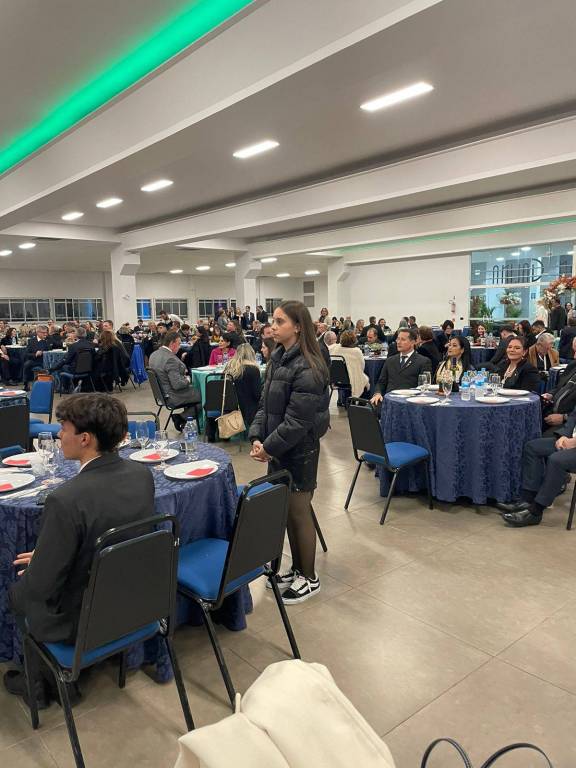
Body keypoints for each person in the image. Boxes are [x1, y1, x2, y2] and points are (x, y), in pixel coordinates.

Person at [5, 394, 155, 706]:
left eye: (63, 428)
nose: (59, 435)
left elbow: (42, 587)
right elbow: (112, 538)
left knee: (19, 593)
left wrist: (42, 563)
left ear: (84, 439)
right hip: (135, 600)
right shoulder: (142, 475)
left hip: (83, 616)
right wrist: (49, 552)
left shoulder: (65, 499)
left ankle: (41, 684)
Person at [249, 300, 330, 605]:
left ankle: (309, 577)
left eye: (280, 321)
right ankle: (296, 568)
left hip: (300, 450)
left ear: (297, 327)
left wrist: (269, 447)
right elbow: (264, 405)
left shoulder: (308, 366)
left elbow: (298, 422)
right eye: (273, 320)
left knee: (299, 513)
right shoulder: (278, 359)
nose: (273, 326)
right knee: (285, 511)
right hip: (278, 448)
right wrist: (258, 437)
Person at [496, 406, 576, 527]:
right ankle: (527, 500)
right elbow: (574, 416)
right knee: (532, 448)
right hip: (571, 441)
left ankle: (536, 511)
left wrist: (574, 442)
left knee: (556, 460)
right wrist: (564, 436)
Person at [149, 330, 201, 430]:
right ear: (172, 343)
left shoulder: (154, 355)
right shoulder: (170, 359)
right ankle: (182, 417)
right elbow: (177, 384)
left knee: (196, 393)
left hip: (160, 395)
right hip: (172, 396)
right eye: (179, 344)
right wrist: (188, 379)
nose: (180, 346)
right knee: (206, 395)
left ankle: (183, 418)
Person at [370, 328, 432, 402]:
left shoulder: (423, 361)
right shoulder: (390, 360)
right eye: (398, 339)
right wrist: (377, 393)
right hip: (389, 401)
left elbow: (424, 386)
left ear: (412, 342)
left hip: (410, 401)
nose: (398, 342)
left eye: (403, 339)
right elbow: (381, 382)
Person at [224, 343, 262, 429]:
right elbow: (257, 394)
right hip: (248, 408)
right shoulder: (253, 369)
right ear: (251, 354)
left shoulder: (229, 367)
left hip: (230, 405)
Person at [329, 329, 369, 398]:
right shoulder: (356, 352)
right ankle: (362, 402)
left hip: (335, 379)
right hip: (352, 380)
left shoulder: (333, 348)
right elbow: (362, 366)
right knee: (366, 379)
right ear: (354, 340)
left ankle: (341, 399)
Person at [22, 324, 52, 390]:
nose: (45, 334)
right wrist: (35, 354)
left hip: (45, 360)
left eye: (46, 332)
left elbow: (50, 350)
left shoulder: (48, 340)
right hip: (34, 360)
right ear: (38, 333)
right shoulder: (31, 341)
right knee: (27, 364)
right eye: (43, 333)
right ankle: (26, 384)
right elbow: (26, 354)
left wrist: (42, 352)